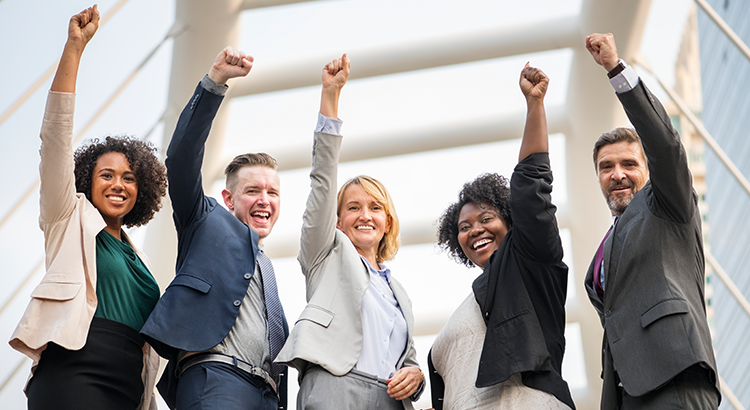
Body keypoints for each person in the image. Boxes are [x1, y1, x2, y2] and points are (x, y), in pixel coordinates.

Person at [9, 6, 168, 410]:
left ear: (141, 189)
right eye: (107, 175)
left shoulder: (141, 258)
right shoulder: (68, 217)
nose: (118, 184)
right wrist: (74, 49)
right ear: (86, 182)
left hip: (130, 384)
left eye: (129, 178)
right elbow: (56, 139)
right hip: (74, 370)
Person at [139, 47, 288, 410]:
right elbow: (182, 159)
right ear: (227, 198)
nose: (264, 200)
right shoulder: (204, 220)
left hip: (266, 394)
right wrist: (215, 82)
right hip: (217, 379)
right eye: (252, 191)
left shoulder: (266, 267)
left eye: (272, 192)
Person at [275, 54, 424, 410]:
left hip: (390, 399)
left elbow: (408, 359)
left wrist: (415, 376)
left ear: (387, 221)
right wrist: (330, 97)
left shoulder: (397, 291)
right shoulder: (326, 255)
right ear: (338, 222)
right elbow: (323, 182)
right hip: (336, 387)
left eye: (375, 208)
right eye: (353, 208)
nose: (365, 215)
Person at [583, 33, 720, 409]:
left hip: (675, 375)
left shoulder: (667, 204)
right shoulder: (606, 247)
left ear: (648, 169)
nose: (617, 174)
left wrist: (615, 69)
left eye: (629, 163)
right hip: (627, 395)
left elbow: (665, 145)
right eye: (606, 167)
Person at [428, 64, 574, 410]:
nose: (475, 229)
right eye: (464, 227)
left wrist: (535, 104)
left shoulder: (529, 265)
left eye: (486, 218)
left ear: (511, 223)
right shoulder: (475, 299)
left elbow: (531, 189)